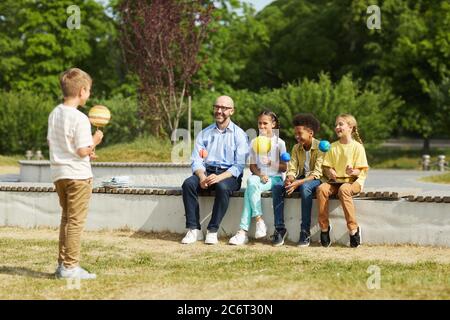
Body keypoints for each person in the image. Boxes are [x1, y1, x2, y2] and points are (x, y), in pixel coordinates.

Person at [48, 68, 103, 279]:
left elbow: (55, 143)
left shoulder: (54, 113)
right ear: (82, 91)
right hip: (78, 177)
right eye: (89, 91)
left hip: (59, 174)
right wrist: (94, 142)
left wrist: (85, 152)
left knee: (66, 219)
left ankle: (62, 264)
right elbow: (82, 150)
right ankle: (70, 267)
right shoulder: (80, 118)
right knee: (76, 222)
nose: (88, 95)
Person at [181, 96, 249, 245]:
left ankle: (212, 230)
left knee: (222, 187)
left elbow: (238, 166)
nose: (219, 111)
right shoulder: (204, 133)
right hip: (206, 172)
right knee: (188, 184)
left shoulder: (240, 135)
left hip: (229, 175)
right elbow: (197, 161)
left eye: (224, 108)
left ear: (231, 111)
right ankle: (194, 230)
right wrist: (201, 176)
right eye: (217, 107)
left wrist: (219, 178)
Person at [229, 110, 287, 245]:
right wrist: (261, 174)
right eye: (259, 123)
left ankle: (242, 231)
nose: (261, 126)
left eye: (265, 123)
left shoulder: (280, 143)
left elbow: (285, 167)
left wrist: (271, 163)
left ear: (273, 124)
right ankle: (259, 220)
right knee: (251, 181)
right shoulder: (254, 142)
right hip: (260, 178)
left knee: (249, 190)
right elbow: (253, 166)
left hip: (275, 179)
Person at [316, 114, 369, 248]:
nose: (337, 127)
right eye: (336, 125)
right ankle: (324, 228)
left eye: (341, 124)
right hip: (336, 182)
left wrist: (352, 171)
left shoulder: (358, 147)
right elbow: (327, 167)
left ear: (350, 127)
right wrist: (330, 172)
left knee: (344, 189)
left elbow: (360, 170)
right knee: (322, 189)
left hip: (353, 182)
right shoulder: (332, 147)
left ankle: (353, 230)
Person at [283, 114, 325, 247]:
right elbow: (292, 168)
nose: (297, 136)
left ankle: (305, 231)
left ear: (310, 133)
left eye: (300, 133)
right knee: (279, 186)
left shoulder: (320, 147)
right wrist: (290, 179)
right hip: (302, 178)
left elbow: (317, 174)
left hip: (316, 179)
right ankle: (279, 228)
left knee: (305, 188)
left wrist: (297, 183)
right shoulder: (296, 147)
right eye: (295, 134)